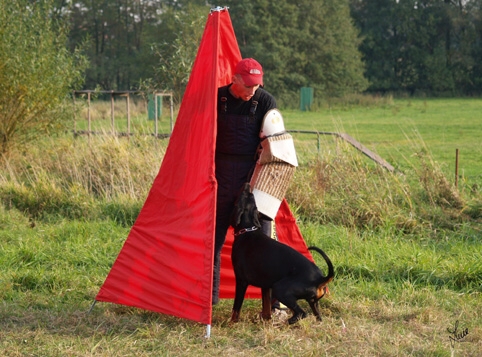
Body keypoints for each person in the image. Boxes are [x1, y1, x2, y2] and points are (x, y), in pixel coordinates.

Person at [212, 58, 277, 305]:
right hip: (219, 176)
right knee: (213, 240)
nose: (252, 91)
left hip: (253, 177)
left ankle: (271, 303)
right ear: (234, 79)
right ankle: (209, 303)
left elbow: (276, 142)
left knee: (262, 242)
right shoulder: (216, 98)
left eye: (256, 86)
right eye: (248, 86)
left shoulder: (266, 101)